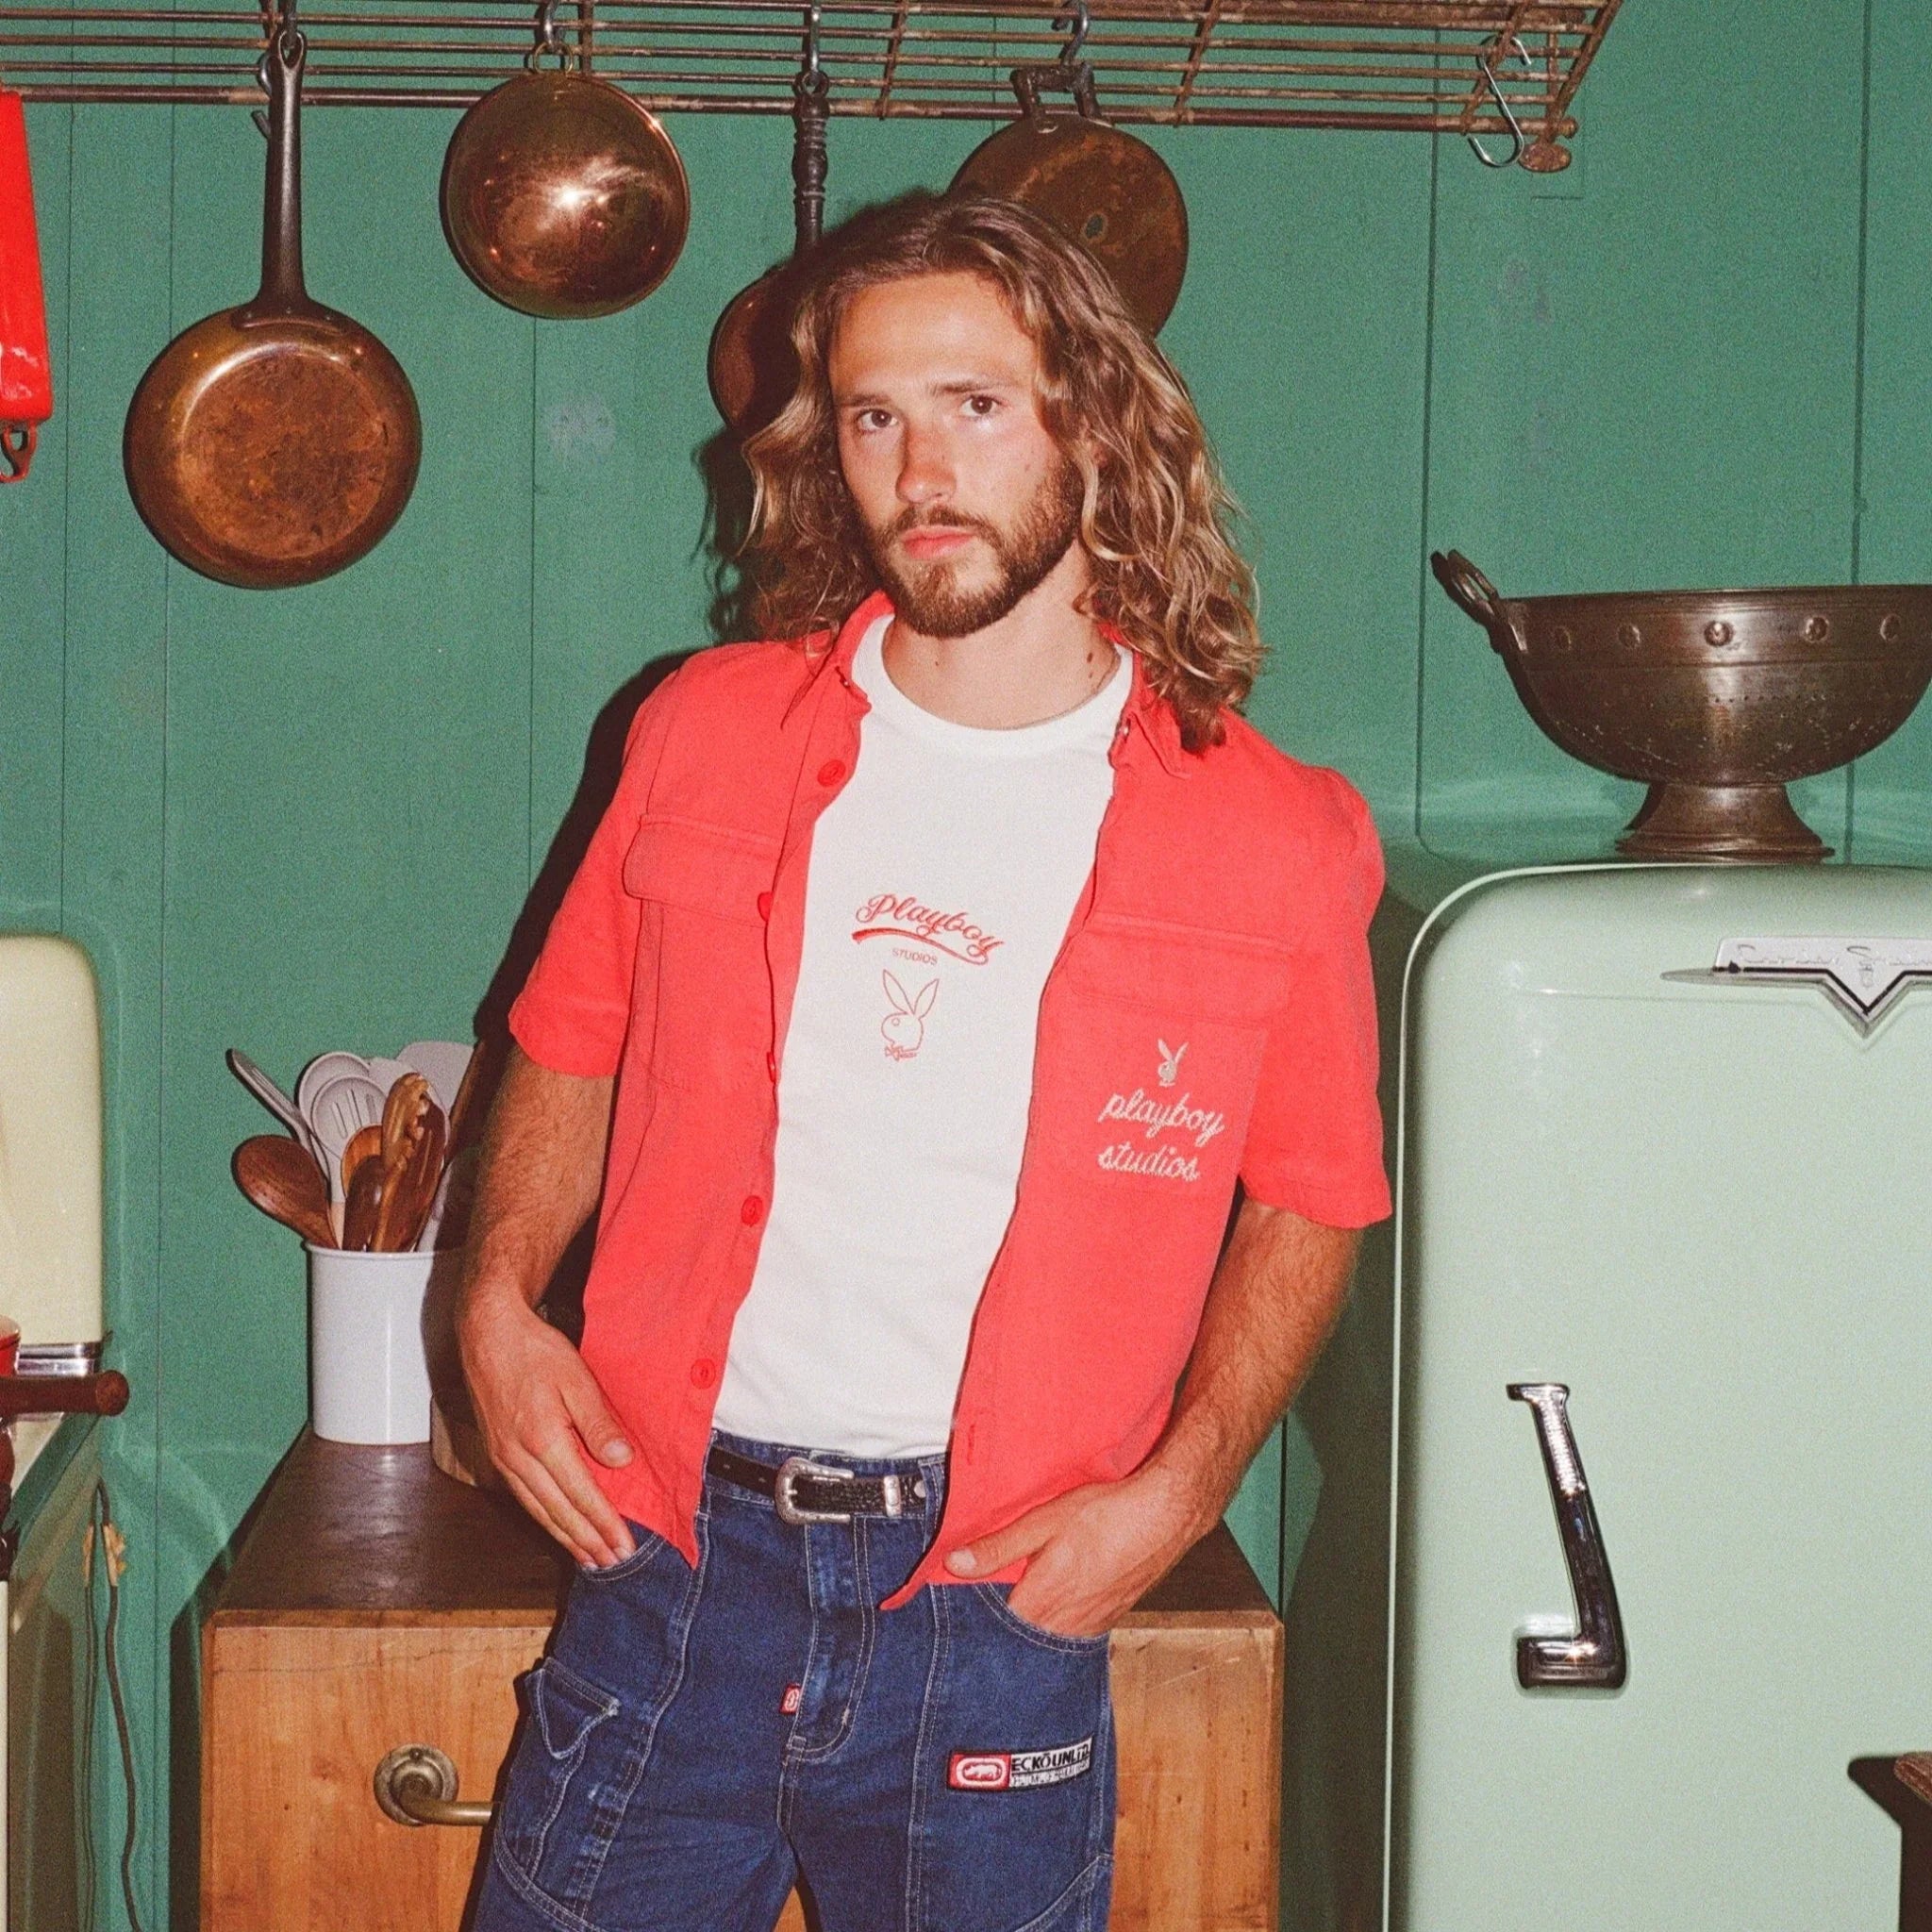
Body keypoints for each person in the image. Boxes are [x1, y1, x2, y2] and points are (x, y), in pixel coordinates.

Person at [461, 192, 1390, 1932]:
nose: (919, 467)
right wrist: (498, 1304)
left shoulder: (1275, 836)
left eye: (975, 405)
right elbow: (570, 1040)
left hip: (995, 1601)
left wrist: (1184, 1488)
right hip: (669, 1559)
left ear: (1094, 432)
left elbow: (1316, 1199)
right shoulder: (704, 730)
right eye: (876, 417)